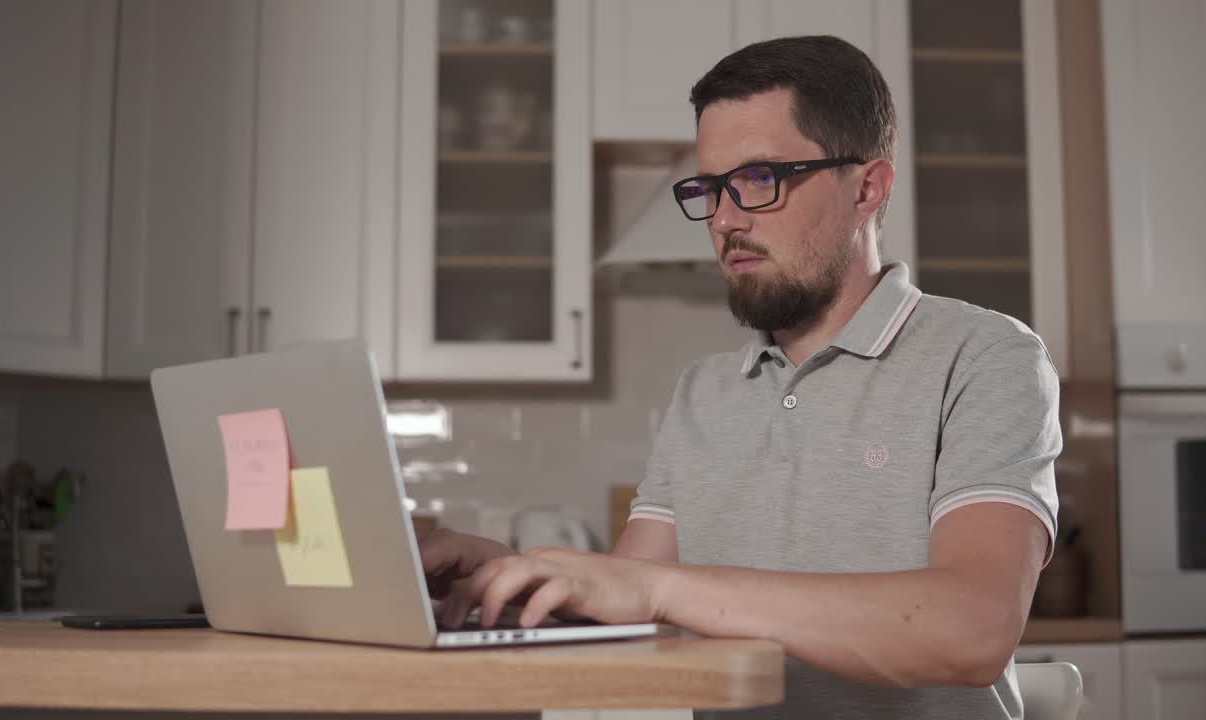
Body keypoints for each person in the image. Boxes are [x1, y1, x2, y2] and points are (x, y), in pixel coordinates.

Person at [420, 35, 1061, 720]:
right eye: (710, 188)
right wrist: (508, 581)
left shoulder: (986, 356)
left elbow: (973, 631)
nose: (725, 220)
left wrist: (662, 589)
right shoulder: (704, 392)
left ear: (867, 186)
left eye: (761, 180)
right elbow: (630, 616)